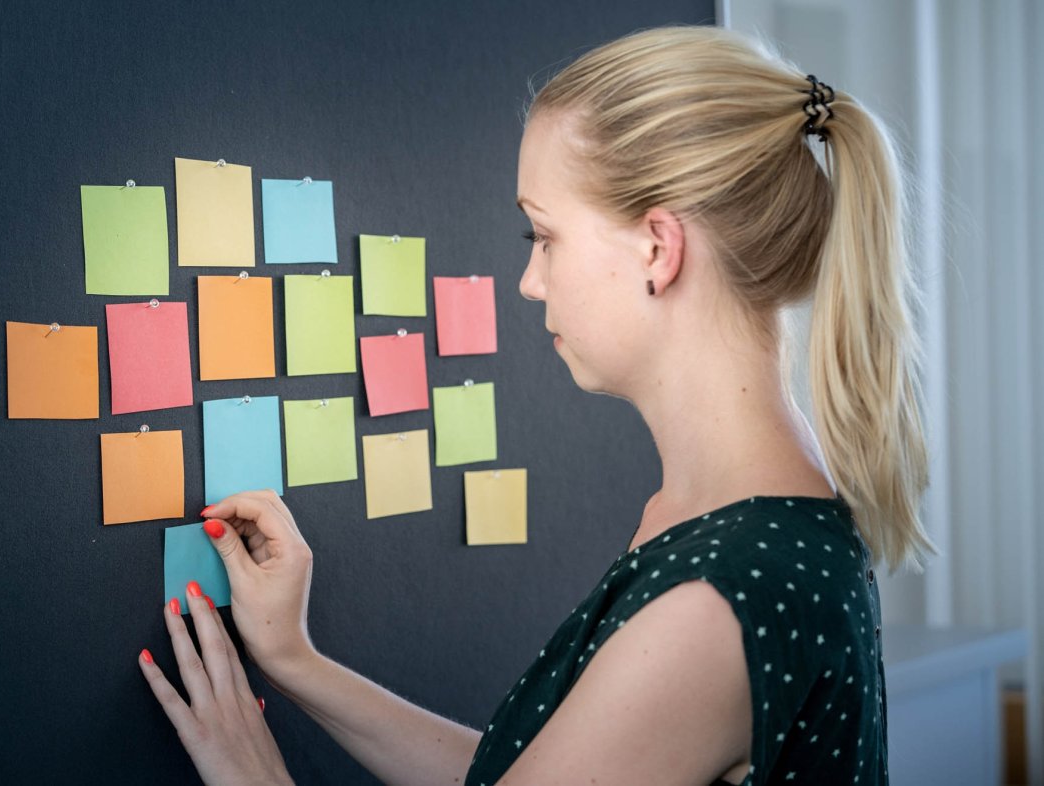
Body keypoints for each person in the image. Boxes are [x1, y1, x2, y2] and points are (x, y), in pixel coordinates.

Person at [136, 24, 933, 785]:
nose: (530, 281)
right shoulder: (726, 518)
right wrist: (297, 665)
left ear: (657, 250)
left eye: (541, 237)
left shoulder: (716, 597)